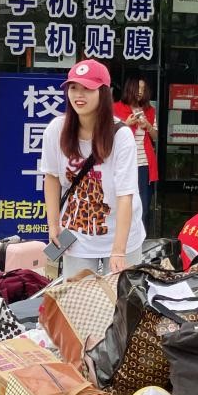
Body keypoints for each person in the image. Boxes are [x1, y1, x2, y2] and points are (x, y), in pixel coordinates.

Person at [43, 59, 145, 278]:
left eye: (88, 89)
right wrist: (53, 225)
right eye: (73, 88)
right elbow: (51, 177)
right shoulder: (56, 130)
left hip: (121, 234)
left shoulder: (121, 135)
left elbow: (125, 195)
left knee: (120, 296)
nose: (79, 95)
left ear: (103, 92)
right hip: (77, 234)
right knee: (77, 296)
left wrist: (118, 251)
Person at [113, 76, 159, 231]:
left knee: (143, 206)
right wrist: (126, 124)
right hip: (123, 164)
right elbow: (106, 135)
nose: (140, 92)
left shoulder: (150, 110)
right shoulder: (115, 108)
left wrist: (148, 126)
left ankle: (140, 239)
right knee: (121, 204)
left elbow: (155, 137)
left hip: (143, 164)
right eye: (138, 88)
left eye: (143, 89)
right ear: (129, 88)